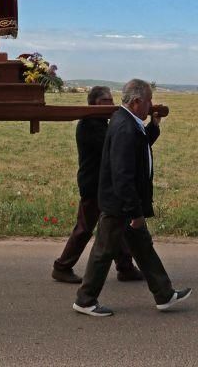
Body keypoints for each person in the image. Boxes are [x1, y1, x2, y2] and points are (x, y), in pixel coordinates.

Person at [73, 79, 192, 317]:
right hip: (120, 204)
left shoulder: (128, 121)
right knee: (104, 250)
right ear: (137, 101)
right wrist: (135, 212)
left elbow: (141, 144)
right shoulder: (126, 128)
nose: (151, 105)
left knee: (143, 247)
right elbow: (122, 174)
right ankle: (85, 300)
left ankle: (164, 293)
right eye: (148, 101)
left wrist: (154, 125)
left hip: (124, 202)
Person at [52, 86, 142, 283]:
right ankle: (62, 266)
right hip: (94, 186)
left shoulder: (101, 123)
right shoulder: (90, 125)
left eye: (111, 100)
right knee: (86, 227)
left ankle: (125, 267)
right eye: (105, 101)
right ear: (93, 104)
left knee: (117, 225)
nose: (110, 105)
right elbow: (115, 149)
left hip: (104, 185)